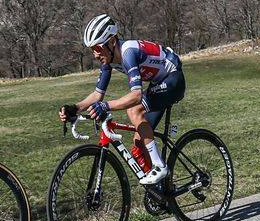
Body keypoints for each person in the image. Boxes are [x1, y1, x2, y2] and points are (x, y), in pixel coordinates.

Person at [59, 14, 185, 185]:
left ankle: (159, 167)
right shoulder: (108, 60)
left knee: (134, 110)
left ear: (111, 42)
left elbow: (136, 95)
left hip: (173, 78)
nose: (95, 55)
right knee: (138, 146)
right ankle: (162, 190)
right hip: (158, 82)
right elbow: (97, 95)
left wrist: (105, 106)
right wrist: (75, 107)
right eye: (92, 50)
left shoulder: (128, 52)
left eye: (97, 48)